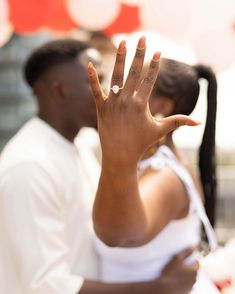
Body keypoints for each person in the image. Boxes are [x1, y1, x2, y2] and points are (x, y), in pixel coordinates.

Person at [0, 38, 198, 294]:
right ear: (61, 91)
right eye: (96, 80)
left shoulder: (78, 147)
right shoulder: (29, 167)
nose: (109, 91)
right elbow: (46, 286)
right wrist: (157, 288)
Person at [89, 37, 219, 292]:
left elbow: (117, 234)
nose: (119, 95)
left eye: (133, 86)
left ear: (161, 106)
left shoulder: (166, 177)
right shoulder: (151, 166)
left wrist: (118, 150)